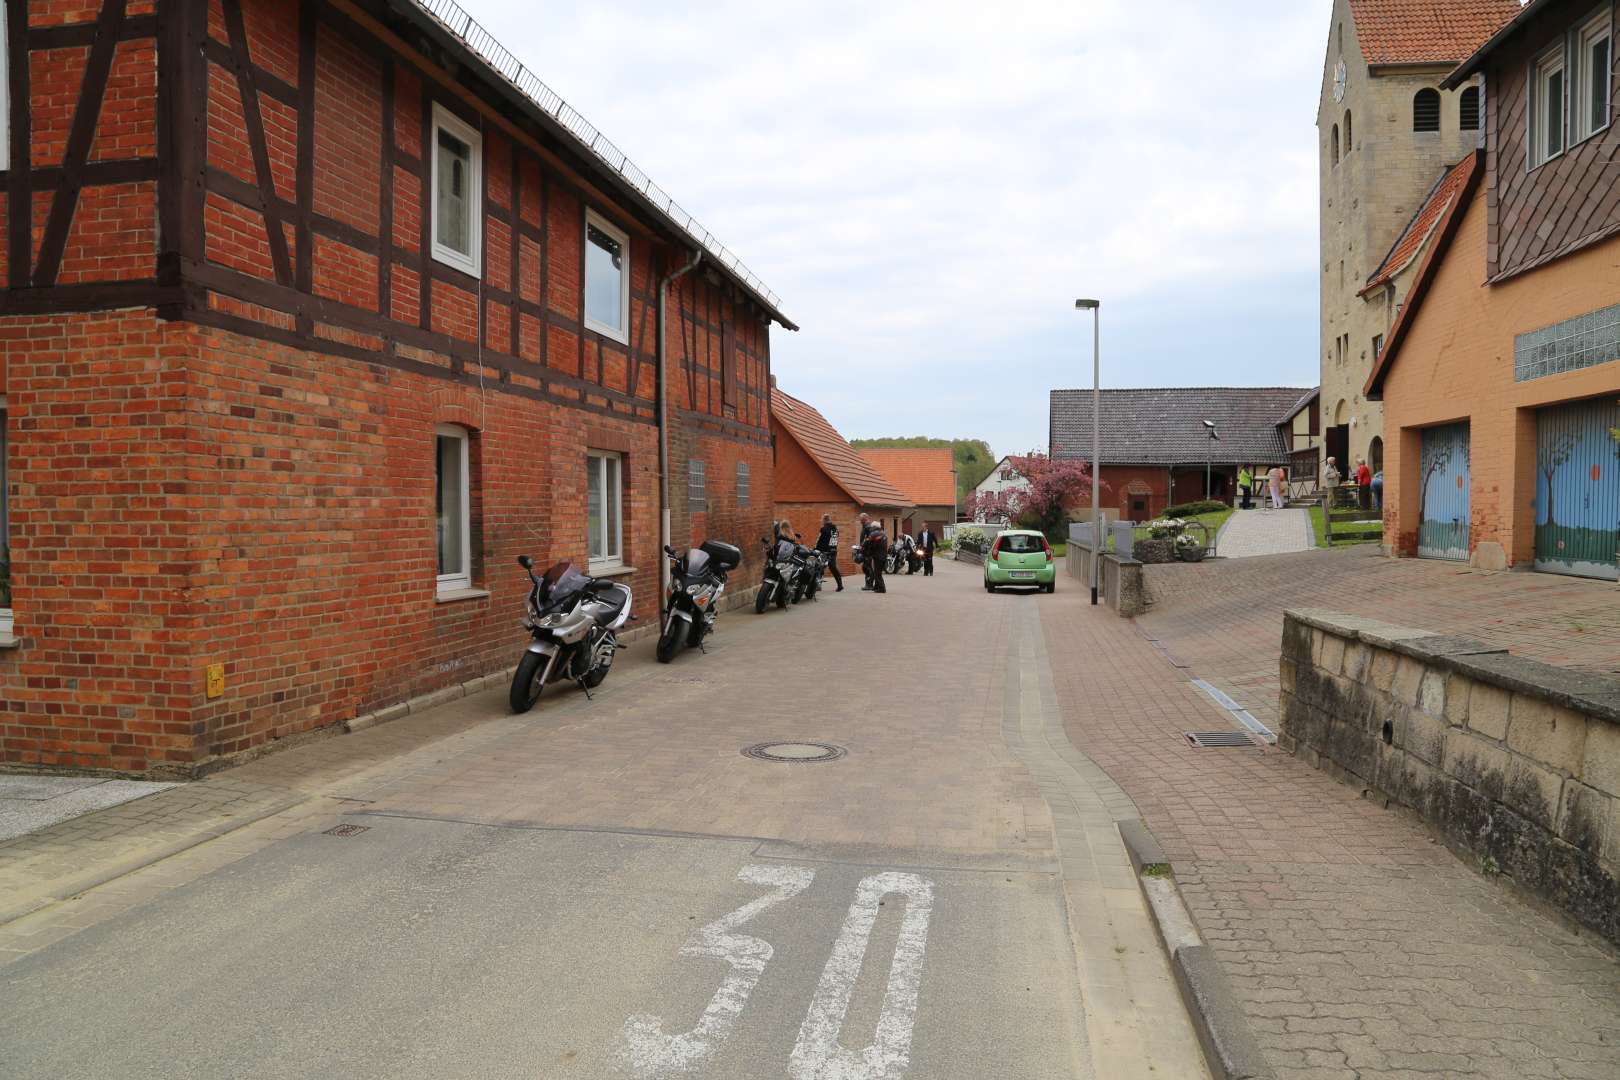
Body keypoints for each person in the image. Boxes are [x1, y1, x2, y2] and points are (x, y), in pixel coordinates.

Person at [814, 514, 843, 591]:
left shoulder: (823, 529)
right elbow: (835, 539)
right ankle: (840, 585)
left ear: (824, 520)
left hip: (824, 551)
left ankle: (818, 585)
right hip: (833, 550)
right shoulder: (835, 528)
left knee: (819, 567)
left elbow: (819, 540)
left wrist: (815, 548)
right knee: (833, 567)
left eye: (822, 520)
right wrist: (833, 548)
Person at [862, 520, 888, 593]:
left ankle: (882, 588)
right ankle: (877, 586)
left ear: (874, 527)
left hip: (878, 555)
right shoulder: (883, 533)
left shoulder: (874, 533)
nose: (871, 528)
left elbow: (867, 542)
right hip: (883, 555)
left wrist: (863, 546)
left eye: (872, 527)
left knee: (877, 573)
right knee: (877, 572)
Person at [857, 513, 876, 590]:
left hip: (868, 551)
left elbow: (869, 539)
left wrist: (863, 546)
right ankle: (868, 584)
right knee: (866, 567)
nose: (860, 521)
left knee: (867, 568)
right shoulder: (866, 527)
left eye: (861, 519)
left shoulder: (868, 527)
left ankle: (869, 584)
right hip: (866, 550)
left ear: (864, 519)